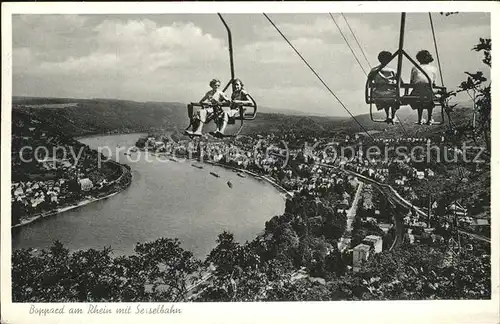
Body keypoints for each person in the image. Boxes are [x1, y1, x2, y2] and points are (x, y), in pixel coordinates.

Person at [367, 51, 400, 124]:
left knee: (385, 98)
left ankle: (388, 115)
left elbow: (369, 81)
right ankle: (393, 116)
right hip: (391, 94)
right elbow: (400, 82)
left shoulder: (374, 70)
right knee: (393, 98)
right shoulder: (392, 71)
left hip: (378, 95)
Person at [409, 50, 438, 125]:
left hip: (417, 91)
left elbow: (411, 82)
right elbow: (433, 82)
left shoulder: (414, 68)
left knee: (419, 100)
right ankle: (430, 118)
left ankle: (420, 118)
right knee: (429, 100)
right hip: (428, 90)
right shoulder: (433, 68)